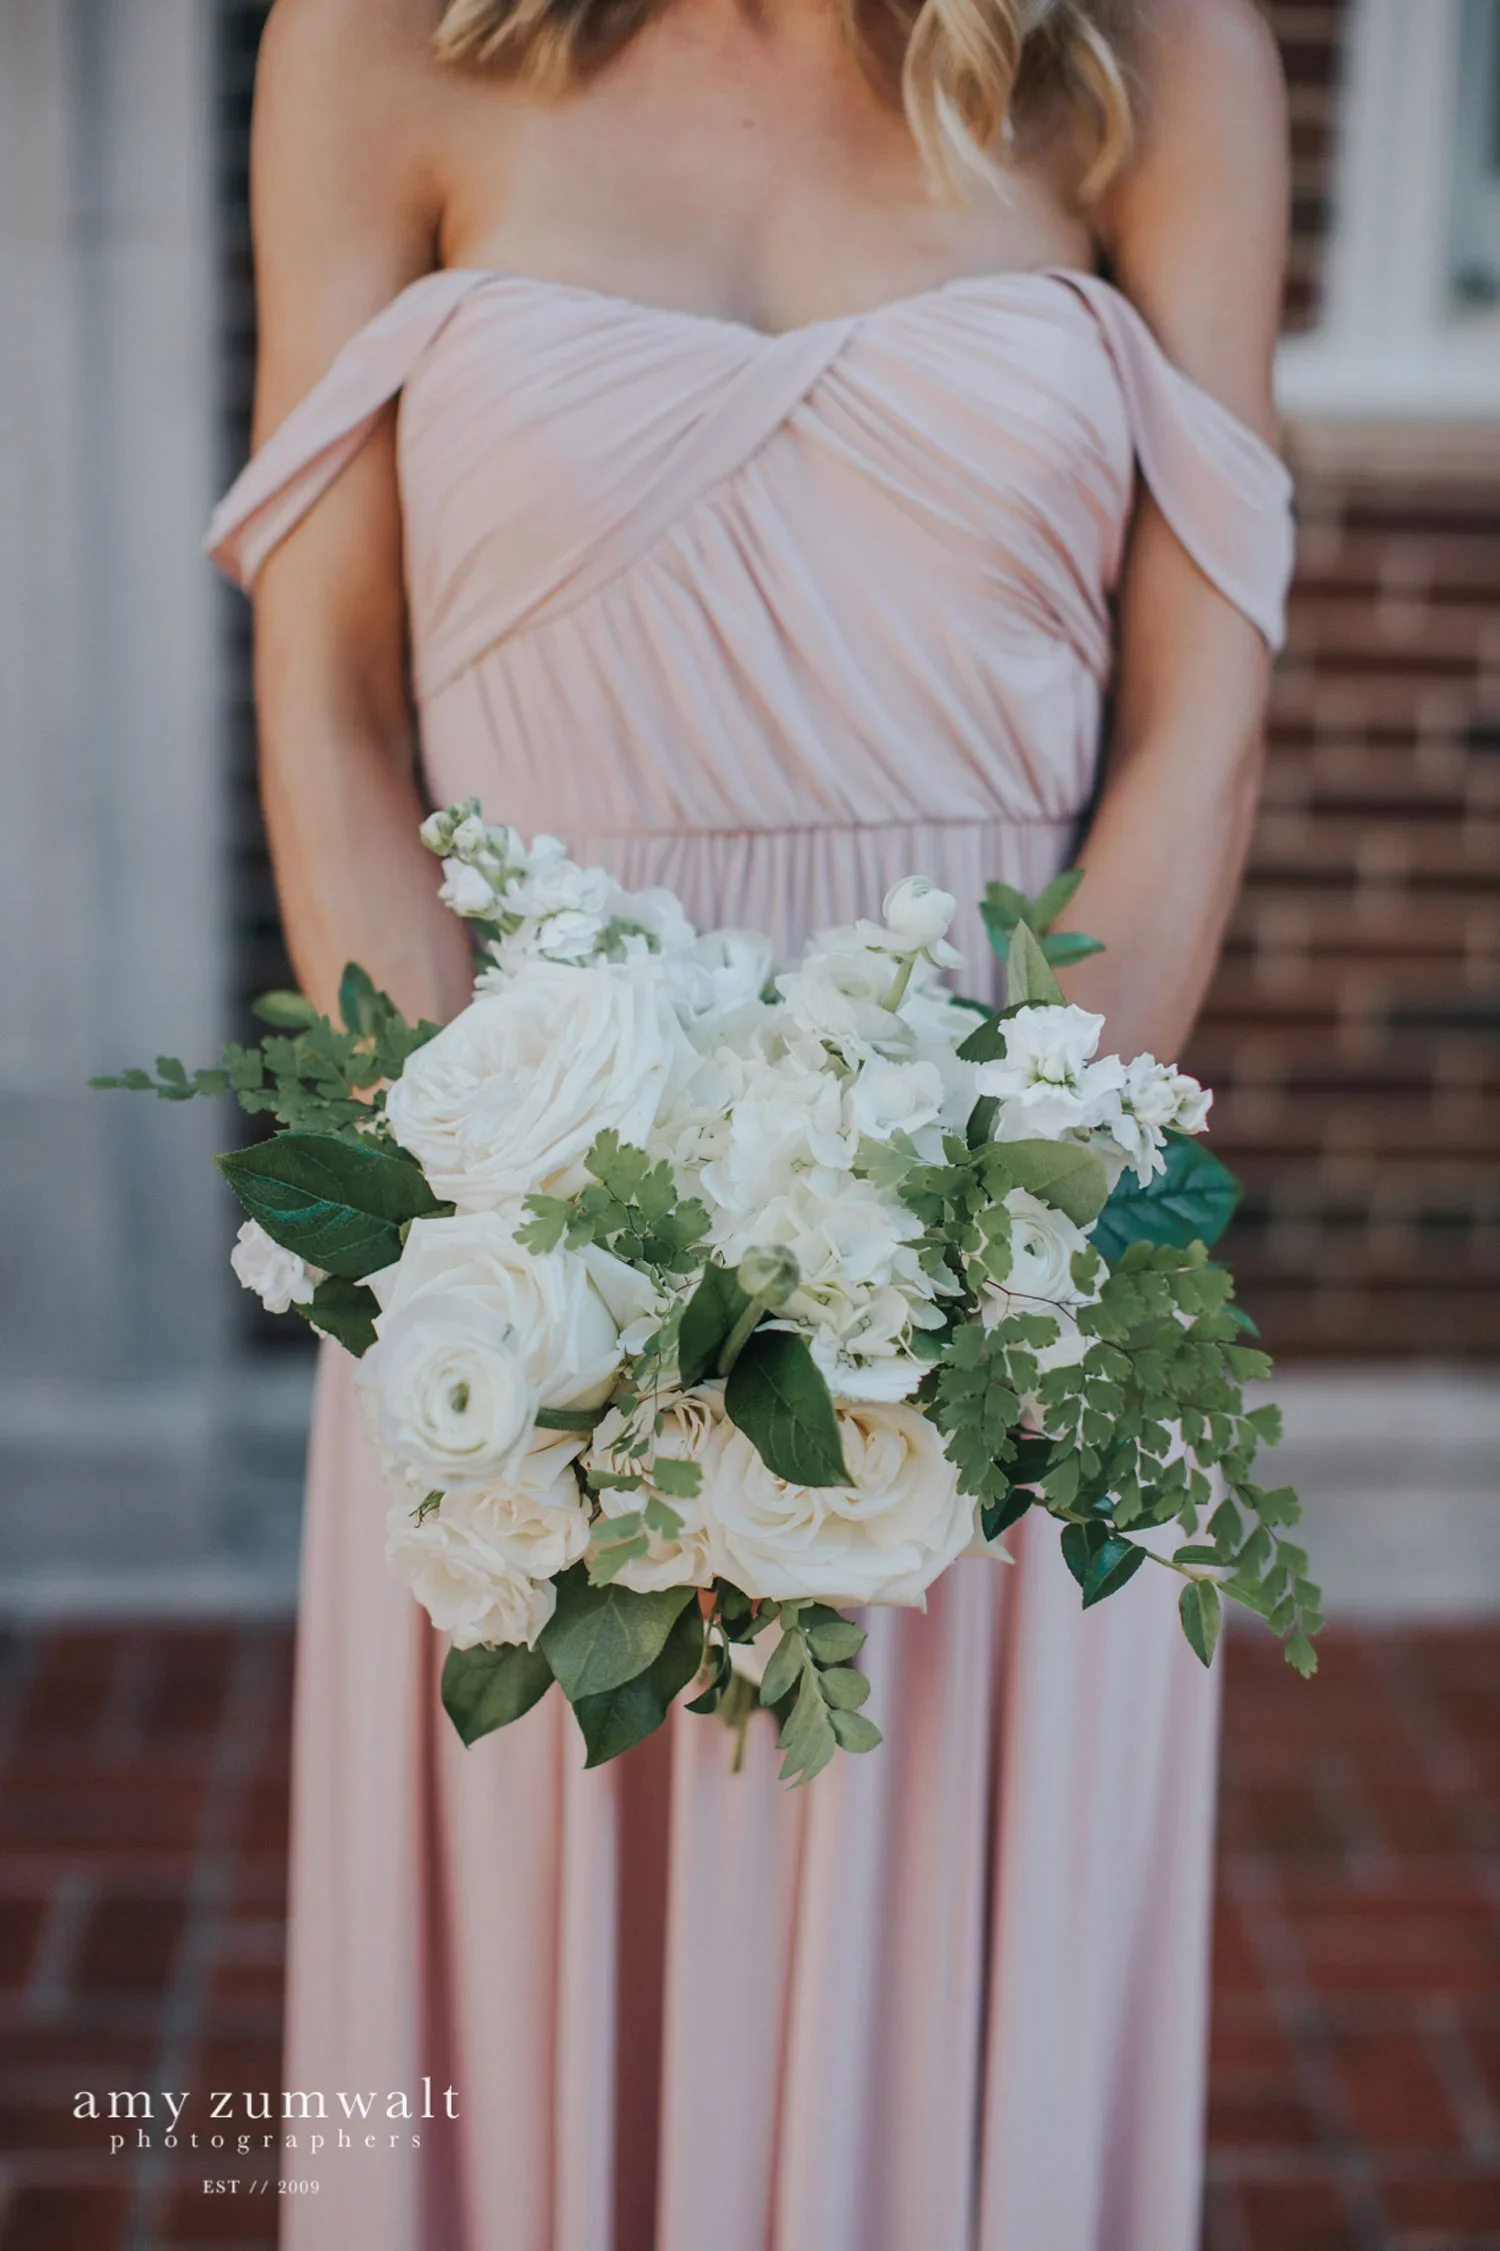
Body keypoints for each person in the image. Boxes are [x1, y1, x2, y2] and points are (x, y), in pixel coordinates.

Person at [208, 0, 1294, 2244]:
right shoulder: (374, 43)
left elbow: (1206, 695)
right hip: (520, 1227)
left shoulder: (1155, 50)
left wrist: (1007, 1212)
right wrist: (478, 1222)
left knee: (947, 2021)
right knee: (532, 1992)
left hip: (1005, 1218)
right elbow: (325, 685)